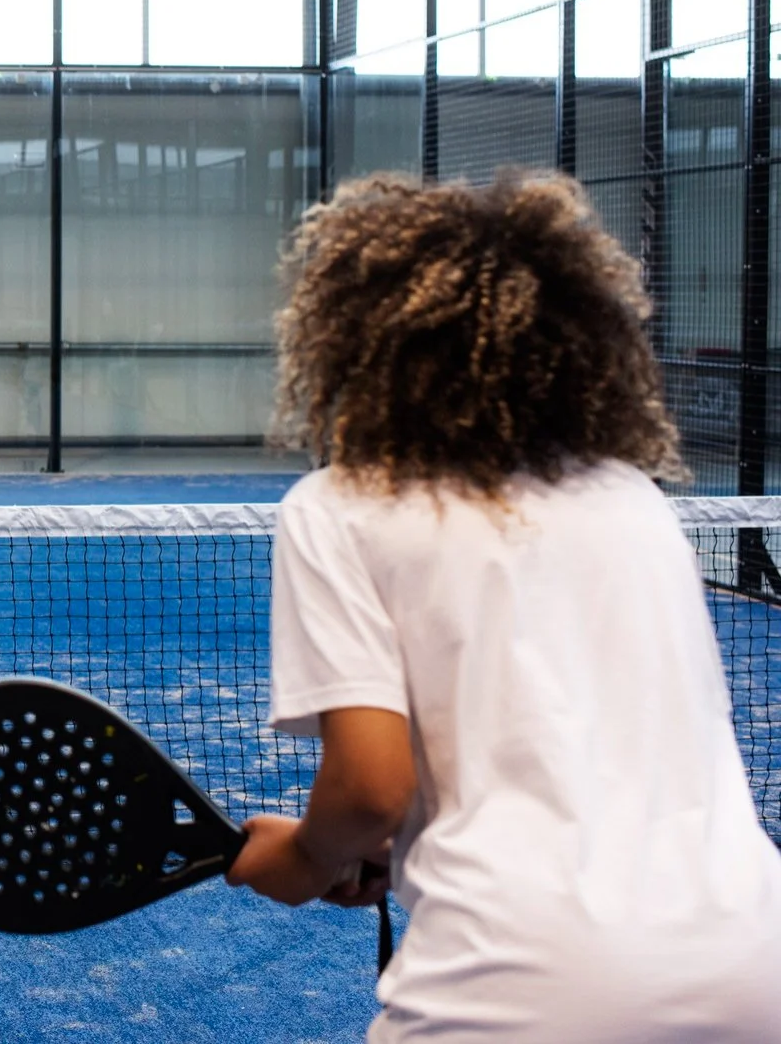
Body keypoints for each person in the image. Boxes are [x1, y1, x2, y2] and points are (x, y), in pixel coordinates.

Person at [226, 171, 781, 1041]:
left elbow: (371, 787)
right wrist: (393, 840)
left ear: (358, 344)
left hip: (519, 983)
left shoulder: (341, 506)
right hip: (754, 963)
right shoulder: (631, 497)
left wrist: (305, 857)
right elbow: (574, 729)